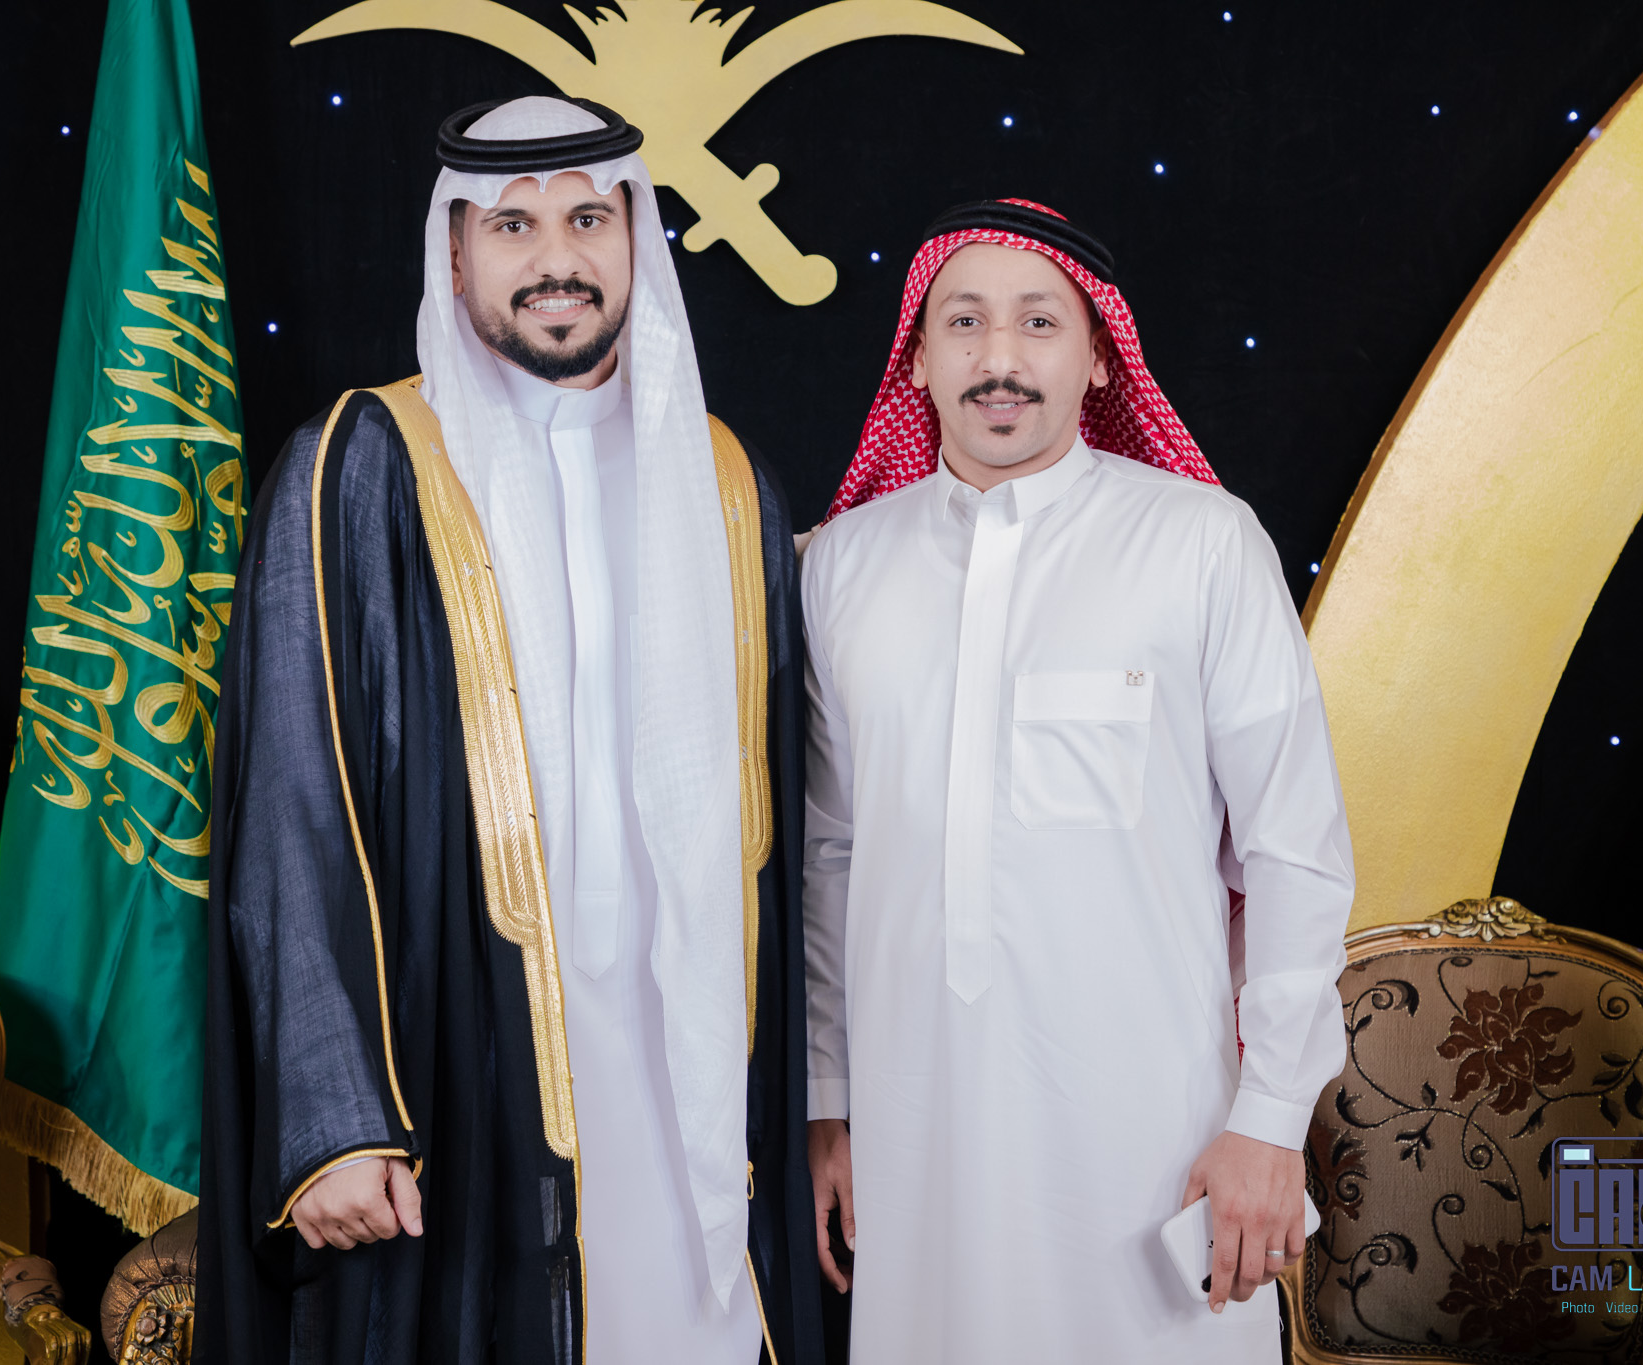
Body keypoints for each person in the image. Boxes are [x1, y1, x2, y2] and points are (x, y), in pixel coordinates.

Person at [197, 95, 820, 1365]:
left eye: (589, 220)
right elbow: (292, 801)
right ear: (454, 252)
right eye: (512, 225)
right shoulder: (363, 460)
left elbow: (792, 823)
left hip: (691, 1056)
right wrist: (335, 1113)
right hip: (455, 1046)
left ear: (635, 242)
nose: (555, 260)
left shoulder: (722, 476)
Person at [800, 198, 1354, 1363]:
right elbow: (830, 855)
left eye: (1038, 323)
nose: (998, 358)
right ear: (915, 358)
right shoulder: (841, 565)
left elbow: (1292, 851)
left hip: (1150, 1144)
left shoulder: (1202, 544)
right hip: (914, 1132)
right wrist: (829, 1097)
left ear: (1100, 356)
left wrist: (1268, 1119)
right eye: (963, 322)